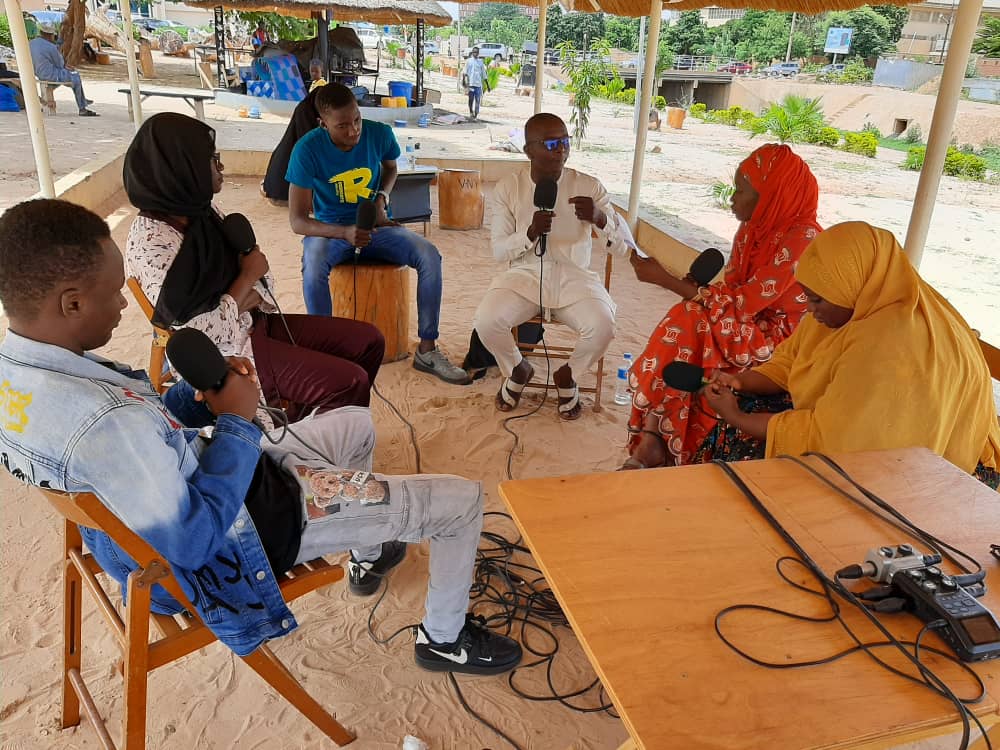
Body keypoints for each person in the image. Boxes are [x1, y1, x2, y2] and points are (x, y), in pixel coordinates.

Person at [0, 198, 524, 674]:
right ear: (70, 303)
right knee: (461, 500)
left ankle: (368, 552)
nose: (123, 304)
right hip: (236, 540)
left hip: (188, 497)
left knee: (358, 423)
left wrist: (193, 398)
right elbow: (194, 540)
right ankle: (443, 639)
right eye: (114, 293)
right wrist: (234, 422)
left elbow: (143, 437)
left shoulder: (19, 373)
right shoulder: (105, 422)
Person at [123, 113, 385, 424]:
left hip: (252, 322)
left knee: (368, 341)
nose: (220, 167)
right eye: (211, 159)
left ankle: (311, 421)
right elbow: (194, 334)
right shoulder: (150, 242)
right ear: (183, 169)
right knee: (349, 381)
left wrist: (239, 291)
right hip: (227, 353)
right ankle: (314, 445)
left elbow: (263, 282)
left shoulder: (201, 212)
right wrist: (243, 281)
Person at [700, 221, 1000, 489]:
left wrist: (735, 416)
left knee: (754, 455)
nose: (809, 309)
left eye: (817, 300)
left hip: (948, 469)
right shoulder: (865, 302)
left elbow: (833, 442)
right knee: (745, 411)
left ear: (853, 286)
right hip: (860, 431)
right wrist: (740, 382)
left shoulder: (891, 345)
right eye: (807, 297)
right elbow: (790, 362)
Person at [624, 143, 821, 468]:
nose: (732, 198)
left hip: (782, 340)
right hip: (744, 324)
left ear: (773, 196)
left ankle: (654, 437)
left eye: (741, 190)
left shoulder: (803, 238)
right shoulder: (751, 230)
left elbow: (744, 303)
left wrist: (669, 282)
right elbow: (730, 290)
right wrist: (697, 291)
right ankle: (656, 434)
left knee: (692, 318)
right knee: (693, 319)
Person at [287, 83, 470, 385]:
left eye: (356, 119)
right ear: (323, 124)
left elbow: (390, 169)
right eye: (342, 125)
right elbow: (298, 221)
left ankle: (427, 349)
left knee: (429, 255)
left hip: (375, 226)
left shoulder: (379, 133)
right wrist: (343, 232)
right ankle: (325, 351)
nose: (353, 131)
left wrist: (381, 198)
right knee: (313, 263)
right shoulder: (306, 149)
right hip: (331, 230)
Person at [472, 113, 635, 420]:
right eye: (551, 143)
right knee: (486, 321)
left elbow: (622, 248)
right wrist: (530, 234)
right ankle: (517, 369)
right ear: (529, 150)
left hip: (575, 280)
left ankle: (568, 376)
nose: (561, 149)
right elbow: (498, 250)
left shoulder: (588, 186)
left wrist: (601, 219)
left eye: (565, 141)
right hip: (524, 276)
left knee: (604, 326)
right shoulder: (509, 187)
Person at [28, 22, 97, 117]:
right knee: (75, 75)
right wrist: (66, 66)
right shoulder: (51, 47)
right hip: (50, 74)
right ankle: (82, 107)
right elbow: (60, 64)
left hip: (38, 73)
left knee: (60, 78)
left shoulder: (31, 43)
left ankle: (82, 100)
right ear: (51, 35)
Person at [463, 46, 489, 120]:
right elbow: (465, 72)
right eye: (474, 52)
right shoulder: (468, 61)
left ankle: (476, 114)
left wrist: (487, 85)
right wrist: (464, 83)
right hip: (470, 84)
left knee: (478, 100)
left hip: (478, 85)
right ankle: (471, 112)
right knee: (471, 99)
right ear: (472, 52)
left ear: (478, 53)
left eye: (476, 52)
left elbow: (484, 74)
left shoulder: (480, 62)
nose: (475, 53)